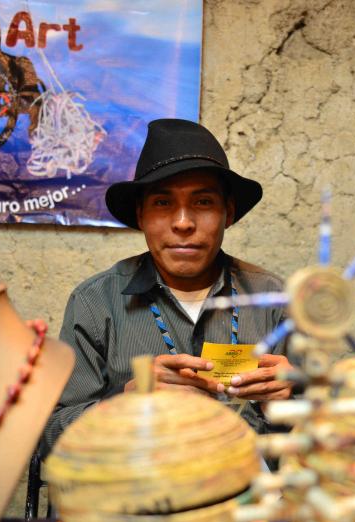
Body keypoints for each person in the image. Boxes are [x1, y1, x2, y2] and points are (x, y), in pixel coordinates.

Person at [40, 119, 293, 456]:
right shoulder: (96, 303)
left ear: (228, 213)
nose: (183, 222)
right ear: (141, 215)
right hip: (139, 500)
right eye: (162, 203)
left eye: (203, 202)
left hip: (251, 499)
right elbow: (53, 437)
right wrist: (126, 406)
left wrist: (297, 395)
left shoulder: (275, 300)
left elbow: (329, 432)